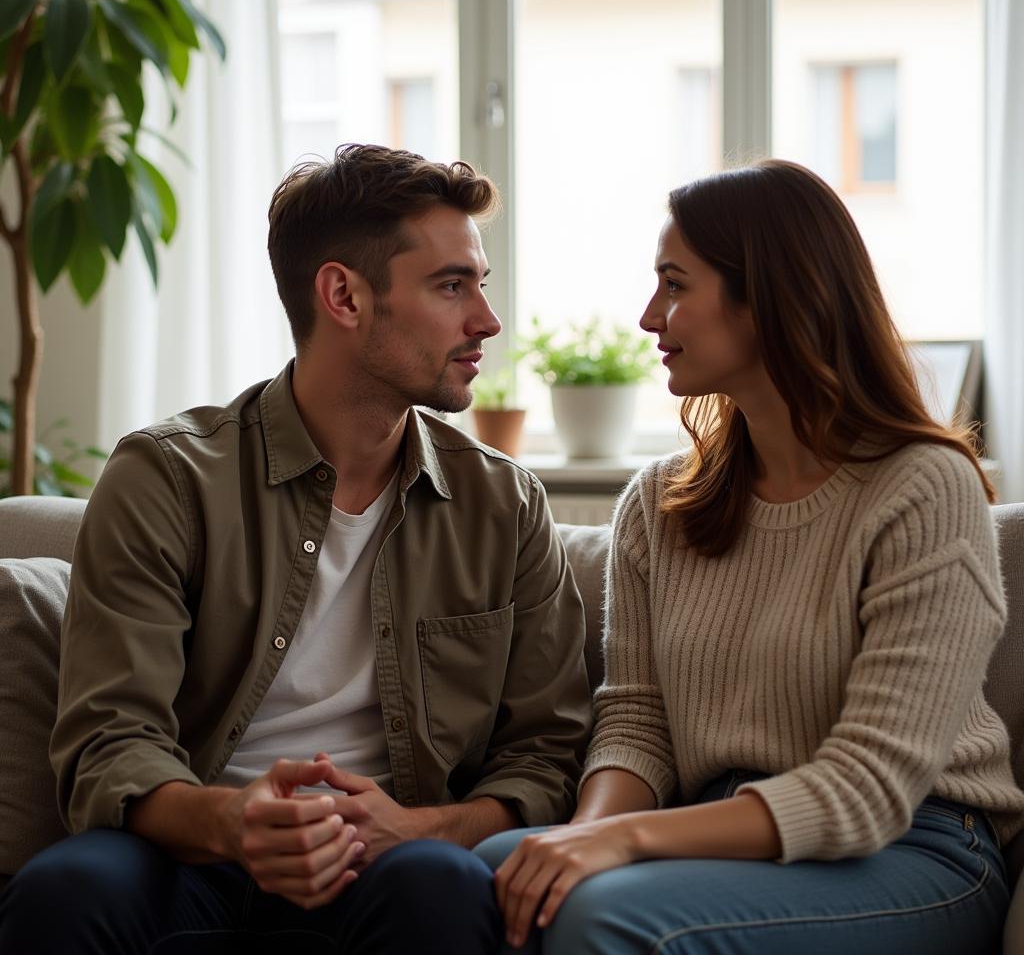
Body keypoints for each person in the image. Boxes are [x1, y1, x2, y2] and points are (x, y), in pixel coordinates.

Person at [0, 144, 592, 954]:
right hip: (194, 849)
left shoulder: (504, 503)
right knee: (66, 891)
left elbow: (548, 752)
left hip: (394, 861)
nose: (486, 319)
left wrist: (418, 827)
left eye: (478, 284)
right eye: (453, 285)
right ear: (344, 295)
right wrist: (235, 822)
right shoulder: (168, 478)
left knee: (443, 887)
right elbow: (109, 741)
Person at [476, 159, 1024, 954]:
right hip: (719, 831)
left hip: (913, 845)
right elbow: (637, 725)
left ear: (769, 296)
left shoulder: (921, 488)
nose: (647, 316)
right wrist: (583, 840)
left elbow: (870, 788)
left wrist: (621, 847)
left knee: (602, 915)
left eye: (674, 284)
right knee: (490, 873)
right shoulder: (661, 501)